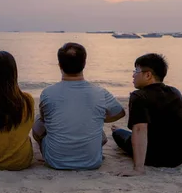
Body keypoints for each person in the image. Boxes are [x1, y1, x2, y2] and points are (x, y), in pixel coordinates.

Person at [32, 42, 125, 170]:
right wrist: (96, 117)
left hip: (55, 161)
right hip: (92, 162)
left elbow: (44, 120)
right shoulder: (99, 92)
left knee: (38, 120)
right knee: (98, 129)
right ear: (84, 64)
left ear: (59, 65)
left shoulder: (48, 93)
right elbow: (119, 113)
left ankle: (47, 151)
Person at [112, 53, 182, 176]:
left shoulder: (139, 96)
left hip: (155, 156)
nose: (133, 75)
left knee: (118, 134)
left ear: (148, 75)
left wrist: (138, 169)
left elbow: (140, 129)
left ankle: (118, 130)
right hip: (181, 155)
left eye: (136, 71)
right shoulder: (175, 92)